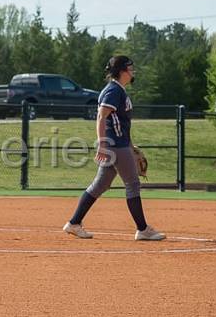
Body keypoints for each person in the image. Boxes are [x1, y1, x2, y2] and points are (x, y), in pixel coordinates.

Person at [62, 55, 165, 241]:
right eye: (130, 68)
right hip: (115, 145)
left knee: (100, 185)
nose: (132, 71)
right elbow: (101, 117)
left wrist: (130, 145)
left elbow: (121, 122)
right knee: (132, 184)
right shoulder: (114, 91)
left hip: (118, 143)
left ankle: (74, 223)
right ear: (121, 71)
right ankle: (142, 229)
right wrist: (102, 144)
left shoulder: (117, 90)